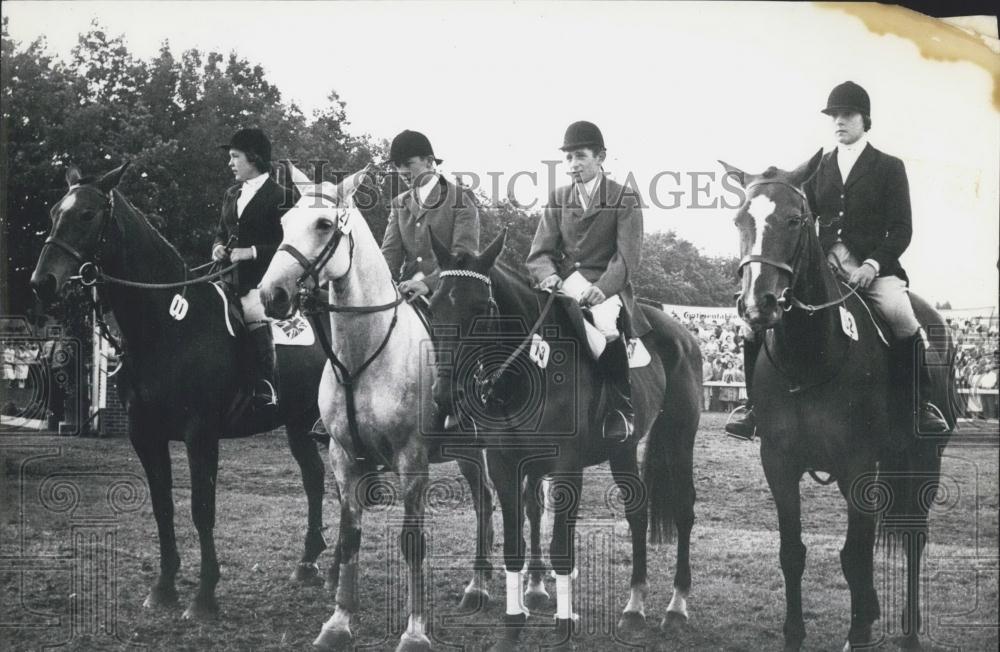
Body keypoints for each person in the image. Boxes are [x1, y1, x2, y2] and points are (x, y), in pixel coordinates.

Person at [726, 81, 950, 439]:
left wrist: (872, 265)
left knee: (903, 318)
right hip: (823, 267)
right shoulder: (819, 167)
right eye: (834, 116)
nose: (839, 122)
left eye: (847, 115)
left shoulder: (889, 167)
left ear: (865, 120)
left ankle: (920, 407)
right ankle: (753, 408)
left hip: (874, 271)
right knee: (753, 322)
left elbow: (901, 229)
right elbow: (802, 221)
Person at [526, 120, 649, 441]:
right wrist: (549, 276)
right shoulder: (558, 197)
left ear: (600, 157)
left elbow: (626, 258)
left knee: (606, 324)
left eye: (579, 156)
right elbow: (539, 253)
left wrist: (602, 289)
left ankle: (621, 408)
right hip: (563, 283)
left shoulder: (624, 198)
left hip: (604, 285)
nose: (572, 164)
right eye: (568, 158)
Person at [212, 128, 288, 412]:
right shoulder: (231, 194)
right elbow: (221, 232)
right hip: (226, 280)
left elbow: (289, 245)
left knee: (255, 316)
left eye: (235, 157)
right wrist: (217, 248)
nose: (230, 163)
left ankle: (266, 385)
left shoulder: (282, 196)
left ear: (253, 158)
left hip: (262, 283)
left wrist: (253, 252)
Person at [381, 130, 480, 302]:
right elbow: (390, 254)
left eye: (407, 163)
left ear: (429, 162)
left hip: (448, 293)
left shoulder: (461, 198)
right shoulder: (399, 203)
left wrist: (429, 283)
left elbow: (463, 255)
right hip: (406, 289)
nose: (401, 171)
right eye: (397, 166)